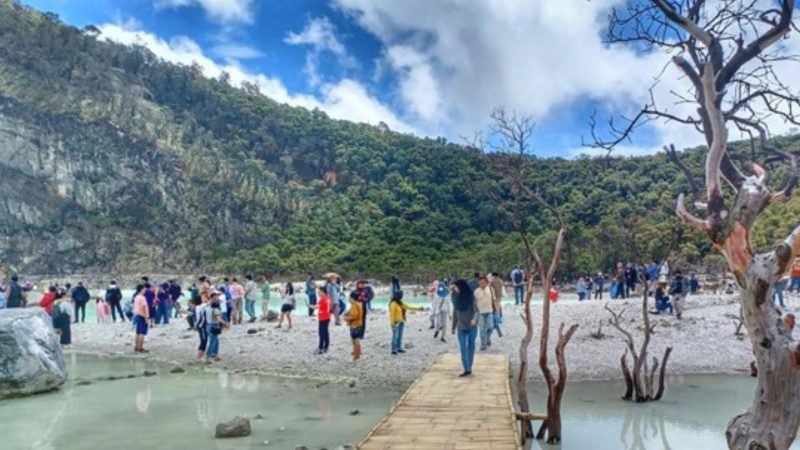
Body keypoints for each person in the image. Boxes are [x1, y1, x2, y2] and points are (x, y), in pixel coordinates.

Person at [451, 279, 479, 377]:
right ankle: (466, 369)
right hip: (461, 326)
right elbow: (455, 312)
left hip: (472, 326)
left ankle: (469, 366)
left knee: (471, 346)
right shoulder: (456, 298)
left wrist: (475, 320)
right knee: (463, 348)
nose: (456, 289)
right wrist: (453, 326)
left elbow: (476, 311)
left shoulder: (471, 298)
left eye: (457, 287)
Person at [389, 290, 423, 355]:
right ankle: (394, 349)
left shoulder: (400, 303)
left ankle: (399, 348)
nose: (401, 296)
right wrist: (392, 324)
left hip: (402, 321)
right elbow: (392, 315)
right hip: (396, 322)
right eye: (401, 295)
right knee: (395, 336)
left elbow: (408, 307)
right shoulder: (393, 304)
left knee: (400, 336)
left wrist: (419, 308)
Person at [205, 290, 227, 362]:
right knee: (213, 341)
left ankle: (214, 354)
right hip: (214, 325)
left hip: (208, 325)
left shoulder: (207, 308)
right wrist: (225, 323)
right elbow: (218, 318)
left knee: (215, 340)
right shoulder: (216, 310)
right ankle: (208, 355)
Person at [344, 291, 366, 362]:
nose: (349, 299)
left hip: (355, 325)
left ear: (352, 298)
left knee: (355, 341)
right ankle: (357, 355)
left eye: (350, 297)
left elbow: (354, 316)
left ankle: (356, 357)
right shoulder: (359, 304)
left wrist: (346, 318)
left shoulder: (355, 305)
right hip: (358, 324)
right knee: (356, 341)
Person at [308, 287, 331, 354]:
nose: (318, 293)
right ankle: (326, 347)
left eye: (320, 292)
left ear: (323, 292)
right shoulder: (327, 297)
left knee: (321, 333)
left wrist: (309, 305)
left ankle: (321, 348)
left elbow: (317, 307)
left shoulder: (322, 299)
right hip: (327, 317)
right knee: (325, 332)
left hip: (323, 318)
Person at [474, 276, 493, 351]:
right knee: (481, 330)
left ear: (486, 282)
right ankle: (483, 344)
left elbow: (494, 300)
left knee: (490, 327)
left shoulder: (490, 289)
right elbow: (474, 303)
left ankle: (487, 338)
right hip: (481, 313)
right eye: (480, 282)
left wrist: (497, 311)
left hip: (490, 312)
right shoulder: (476, 291)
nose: (481, 284)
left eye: (483, 282)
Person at [132, 285, 150, 353]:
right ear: (141, 289)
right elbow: (145, 307)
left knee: (137, 332)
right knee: (142, 333)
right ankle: (140, 348)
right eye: (144, 289)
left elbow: (134, 306)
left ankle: (136, 347)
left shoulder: (136, 297)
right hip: (142, 316)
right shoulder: (143, 298)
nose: (145, 290)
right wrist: (146, 317)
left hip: (137, 315)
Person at [193, 296, 208, 362]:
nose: (203, 299)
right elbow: (208, 304)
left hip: (202, 325)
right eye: (202, 299)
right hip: (201, 325)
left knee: (205, 340)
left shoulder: (199, 307)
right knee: (203, 340)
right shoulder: (199, 307)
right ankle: (200, 356)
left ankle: (201, 355)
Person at [489, 273, 504, 338]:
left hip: (494, 297)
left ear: (493, 276)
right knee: (498, 308)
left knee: (494, 310)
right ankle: (499, 318)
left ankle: (497, 320)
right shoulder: (501, 281)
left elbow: (490, 289)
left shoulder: (492, 281)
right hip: (499, 296)